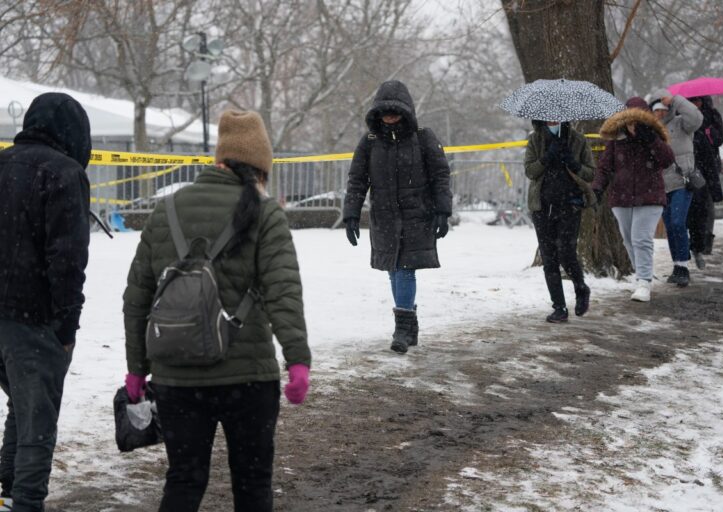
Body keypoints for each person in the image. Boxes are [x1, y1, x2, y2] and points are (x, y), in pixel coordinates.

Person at [123, 110, 311, 512]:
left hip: (176, 378)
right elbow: (283, 291)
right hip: (248, 378)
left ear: (218, 159)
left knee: (184, 479)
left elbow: (138, 296)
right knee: (252, 482)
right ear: (261, 167)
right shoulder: (267, 214)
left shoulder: (167, 211)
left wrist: (136, 368)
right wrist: (297, 359)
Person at [0, 93, 91, 512]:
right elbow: (67, 261)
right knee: (38, 422)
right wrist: (66, 327)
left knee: (21, 406)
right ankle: (26, 503)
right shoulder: (64, 173)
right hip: (33, 317)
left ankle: (5, 492)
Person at [343, 80, 452, 353]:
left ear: (406, 111)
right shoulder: (369, 142)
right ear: (377, 113)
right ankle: (410, 324)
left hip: (417, 217)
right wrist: (351, 214)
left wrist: (442, 210)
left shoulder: (424, 137)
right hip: (384, 217)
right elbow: (357, 180)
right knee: (393, 269)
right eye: (384, 110)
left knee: (405, 269)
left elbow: (440, 175)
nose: (390, 116)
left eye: (395, 110)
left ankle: (402, 329)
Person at [593, 97, 675, 302]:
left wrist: (651, 140)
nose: (633, 126)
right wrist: (596, 188)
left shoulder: (654, 137)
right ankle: (641, 276)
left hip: (650, 197)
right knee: (629, 240)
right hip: (621, 198)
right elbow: (604, 167)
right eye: (630, 120)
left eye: (637, 120)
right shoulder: (616, 140)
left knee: (641, 238)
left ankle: (644, 282)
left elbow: (667, 160)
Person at [524, 120, 595, 323]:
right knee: (549, 258)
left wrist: (573, 163)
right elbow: (530, 171)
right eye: (548, 116)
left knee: (566, 252)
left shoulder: (578, 140)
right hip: (542, 207)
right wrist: (546, 158)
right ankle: (559, 306)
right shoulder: (536, 140)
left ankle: (581, 288)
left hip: (569, 205)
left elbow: (590, 173)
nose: (552, 120)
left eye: (557, 116)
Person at [648, 90, 703, 287]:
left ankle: (683, 266)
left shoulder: (682, 124)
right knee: (670, 226)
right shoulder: (651, 131)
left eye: (663, 109)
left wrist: (677, 99)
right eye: (656, 110)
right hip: (661, 184)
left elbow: (696, 118)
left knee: (679, 222)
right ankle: (678, 265)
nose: (660, 113)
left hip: (682, 181)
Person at [687, 95, 723, 263]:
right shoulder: (685, 116)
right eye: (692, 101)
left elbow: (718, 140)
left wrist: (706, 130)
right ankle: (692, 239)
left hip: (708, 166)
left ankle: (705, 240)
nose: (696, 104)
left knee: (706, 206)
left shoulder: (713, 117)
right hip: (690, 165)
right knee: (692, 205)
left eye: (698, 101)